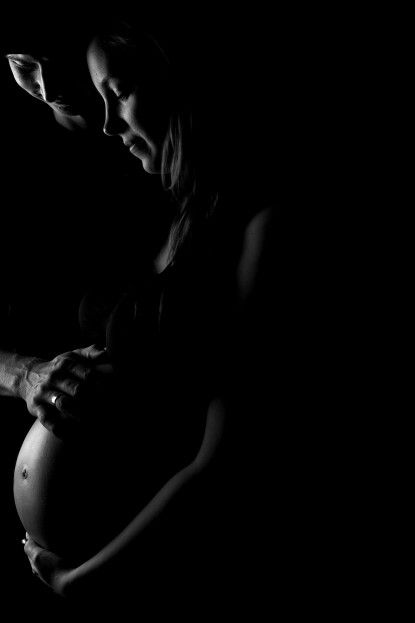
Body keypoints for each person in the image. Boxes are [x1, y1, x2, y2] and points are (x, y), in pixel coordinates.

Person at [21, 15, 315, 613]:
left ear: (175, 76)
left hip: (147, 580)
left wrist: (77, 583)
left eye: (119, 93)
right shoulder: (176, 212)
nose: (107, 124)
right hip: (82, 553)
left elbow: (224, 464)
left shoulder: (263, 226)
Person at [0, 2, 170, 565]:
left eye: (56, 59)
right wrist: (27, 376)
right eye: (22, 65)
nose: (47, 85)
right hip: (14, 505)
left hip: (147, 476)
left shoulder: (151, 140)